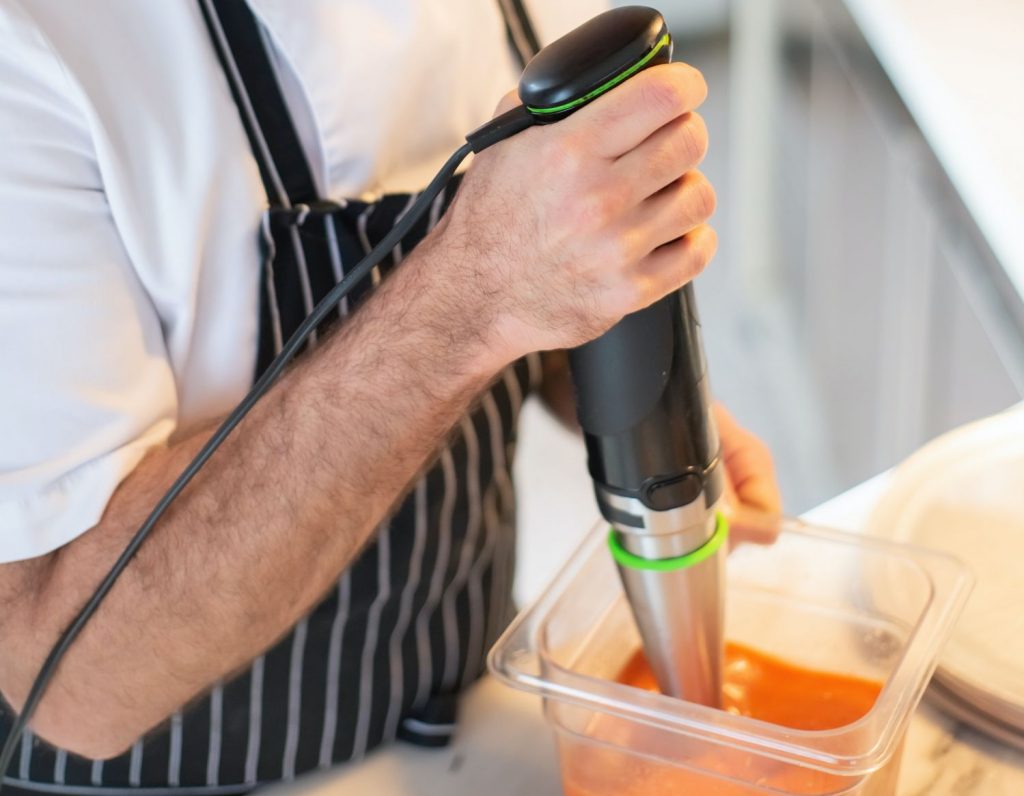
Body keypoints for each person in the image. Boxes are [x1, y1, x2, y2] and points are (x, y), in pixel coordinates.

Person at [0, 0, 780, 792]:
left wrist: (652, 425)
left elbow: (560, 241)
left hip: (455, 718)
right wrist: (472, 292)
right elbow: (65, 683)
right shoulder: (31, 49)